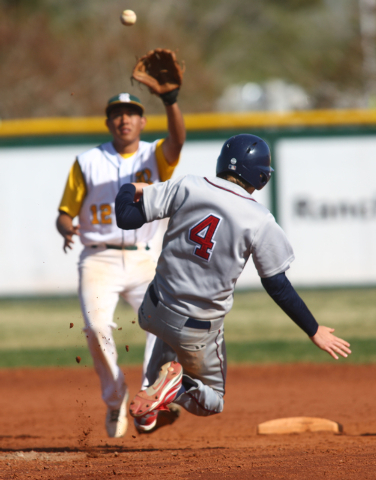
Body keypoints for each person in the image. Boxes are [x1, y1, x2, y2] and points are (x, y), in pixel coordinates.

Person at [114, 133, 351, 432]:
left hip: (152, 310)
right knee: (213, 400)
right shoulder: (259, 218)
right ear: (261, 175)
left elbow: (126, 217)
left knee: (167, 346)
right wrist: (313, 329)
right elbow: (277, 285)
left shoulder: (187, 185)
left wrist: (128, 188)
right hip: (197, 328)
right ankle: (175, 391)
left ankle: (150, 411)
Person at [56, 89, 186, 438]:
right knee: (96, 328)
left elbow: (178, 139)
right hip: (99, 257)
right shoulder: (87, 162)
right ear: (108, 121)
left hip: (146, 257)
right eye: (117, 113)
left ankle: (147, 401)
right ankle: (116, 400)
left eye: (131, 113)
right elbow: (64, 214)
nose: (124, 119)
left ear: (142, 121)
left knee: (162, 326)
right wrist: (67, 228)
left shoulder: (155, 155)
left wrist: (171, 100)